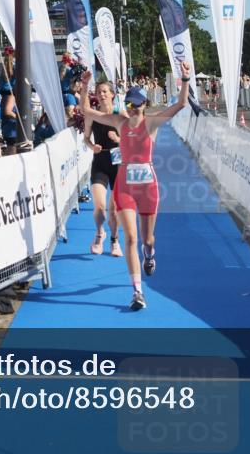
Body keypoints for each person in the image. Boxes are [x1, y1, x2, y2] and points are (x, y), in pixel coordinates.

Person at [79, 61, 191, 311]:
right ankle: (137, 292)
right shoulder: (118, 121)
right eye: (129, 105)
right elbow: (86, 110)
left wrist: (185, 78)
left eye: (136, 105)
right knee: (131, 237)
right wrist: (85, 86)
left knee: (147, 239)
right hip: (125, 187)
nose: (132, 109)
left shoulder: (151, 123)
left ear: (144, 105)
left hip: (148, 188)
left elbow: (181, 104)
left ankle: (149, 254)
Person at [84, 80, 124, 257]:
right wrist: (92, 147)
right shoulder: (92, 115)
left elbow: (132, 139)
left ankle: (115, 240)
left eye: (105, 91)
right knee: (100, 207)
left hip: (118, 164)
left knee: (114, 211)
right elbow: (86, 138)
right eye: (99, 92)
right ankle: (100, 233)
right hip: (100, 162)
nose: (101, 94)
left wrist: (118, 139)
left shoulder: (120, 114)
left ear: (112, 94)